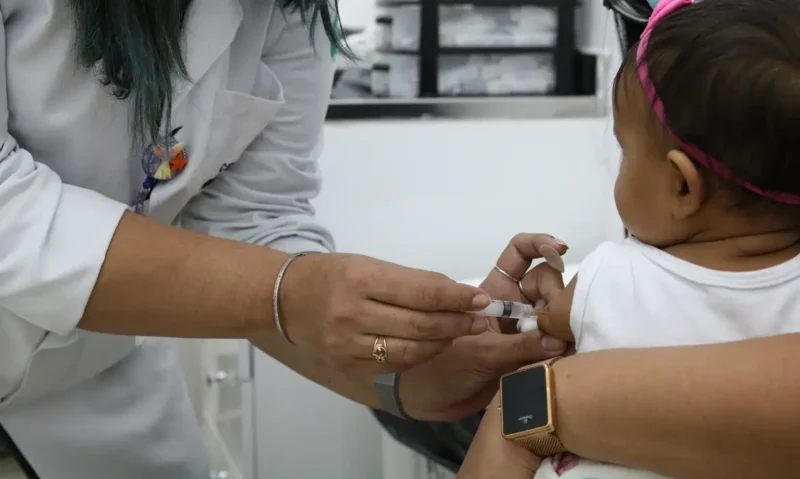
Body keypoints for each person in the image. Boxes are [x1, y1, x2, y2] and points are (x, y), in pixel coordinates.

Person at [0, 1, 570, 477]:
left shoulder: (289, 11)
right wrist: (291, 291)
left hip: (96, 383)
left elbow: (251, 222)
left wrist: (397, 373)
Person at [459, 0, 800, 477]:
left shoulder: (612, 275)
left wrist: (539, 303)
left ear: (682, 187)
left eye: (624, 149)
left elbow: (541, 322)